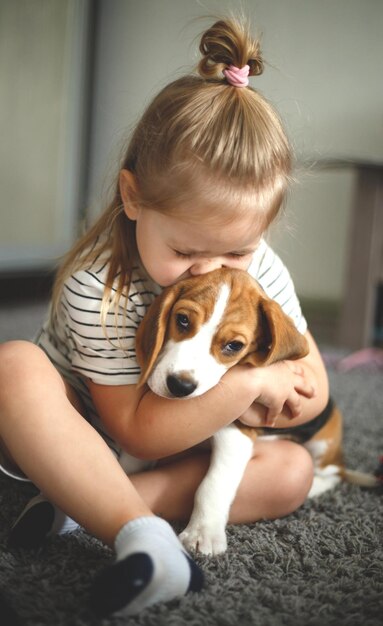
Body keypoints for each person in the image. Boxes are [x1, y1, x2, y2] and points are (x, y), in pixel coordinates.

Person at [0, 18, 328, 618]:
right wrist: (254, 381)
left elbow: (313, 394)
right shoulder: (96, 283)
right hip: (83, 435)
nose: (211, 271)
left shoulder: (261, 273)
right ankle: (140, 533)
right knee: (12, 366)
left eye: (235, 252)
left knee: (293, 469)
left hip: (180, 445)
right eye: (185, 252)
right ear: (132, 198)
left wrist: (286, 383)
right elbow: (137, 432)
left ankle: (77, 514)